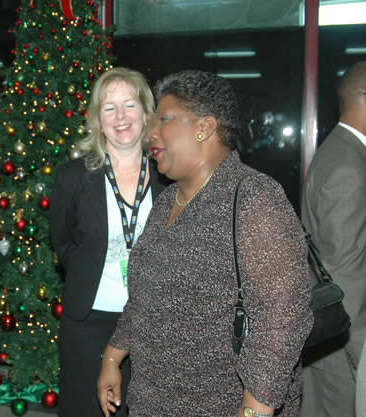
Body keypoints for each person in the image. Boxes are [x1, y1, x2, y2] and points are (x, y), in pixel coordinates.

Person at [97, 70, 313, 417]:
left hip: (221, 405)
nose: (151, 132)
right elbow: (144, 295)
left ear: (205, 127)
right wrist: (112, 356)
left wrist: (254, 411)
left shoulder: (254, 197)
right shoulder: (167, 201)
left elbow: (283, 317)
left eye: (164, 119)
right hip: (152, 400)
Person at [50, 67, 167, 417]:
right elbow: (63, 243)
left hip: (155, 322)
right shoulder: (73, 178)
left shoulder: (170, 174)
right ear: (98, 120)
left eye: (129, 105)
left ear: (146, 114)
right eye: (109, 107)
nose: (120, 117)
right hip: (90, 323)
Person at [300, 61, 366, 417]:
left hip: (333, 348)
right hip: (343, 351)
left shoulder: (341, 151)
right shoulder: (348, 167)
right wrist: (360, 358)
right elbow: (346, 276)